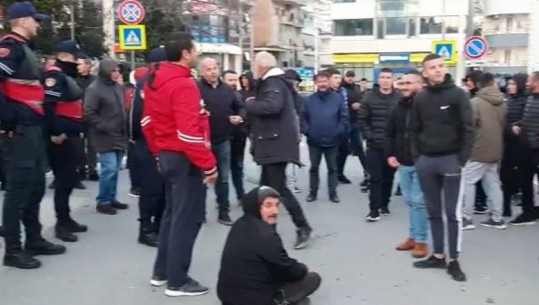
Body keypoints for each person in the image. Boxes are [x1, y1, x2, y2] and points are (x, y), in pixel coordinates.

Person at [143, 32, 218, 297]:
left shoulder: (154, 80)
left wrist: (157, 153)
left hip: (167, 153)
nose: (196, 54)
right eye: (194, 50)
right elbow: (188, 134)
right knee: (187, 220)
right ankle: (177, 280)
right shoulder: (184, 84)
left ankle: (161, 272)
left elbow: (148, 122)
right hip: (185, 158)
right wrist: (209, 165)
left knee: (172, 216)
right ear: (185, 53)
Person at [1, 1, 66, 269]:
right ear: (24, 21)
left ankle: (34, 239)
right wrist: (9, 120)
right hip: (21, 129)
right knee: (18, 189)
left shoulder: (25, 49)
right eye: (36, 20)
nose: (39, 25)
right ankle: (13, 250)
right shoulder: (10, 47)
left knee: (36, 185)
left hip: (32, 127)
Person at [411, 53, 474, 282]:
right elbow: (414, 130)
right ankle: (437, 255)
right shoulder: (421, 98)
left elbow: (469, 129)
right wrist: (417, 158)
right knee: (433, 211)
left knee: (452, 214)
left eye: (440, 66)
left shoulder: (458, 94)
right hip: (426, 161)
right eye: (432, 67)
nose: (437, 70)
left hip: (451, 160)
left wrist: (461, 160)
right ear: (425, 73)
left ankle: (453, 260)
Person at [246, 51, 313, 250]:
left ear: (261, 67)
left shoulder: (273, 83)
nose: (253, 70)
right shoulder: (274, 82)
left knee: (278, 189)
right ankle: (264, 229)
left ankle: (303, 227)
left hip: (275, 145)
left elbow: (271, 107)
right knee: (266, 189)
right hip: (272, 143)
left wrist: (250, 103)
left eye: (254, 66)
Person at [217, 186, 321, 305]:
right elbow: (287, 268)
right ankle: (281, 300)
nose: (275, 211)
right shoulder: (266, 235)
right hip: (254, 300)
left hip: (227, 297)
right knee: (312, 279)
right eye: (268, 205)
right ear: (256, 206)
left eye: (276, 205)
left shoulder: (239, 224)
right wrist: (302, 269)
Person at [43, 40, 89, 242]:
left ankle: (66, 218)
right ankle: (61, 224)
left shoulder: (66, 76)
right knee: (63, 181)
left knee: (70, 179)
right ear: (64, 56)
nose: (78, 62)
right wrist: (56, 132)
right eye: (75, 57)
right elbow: (49, 105)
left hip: (71, 134)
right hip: (60, 137)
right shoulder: (54, 75)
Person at [385, 70, 428, 258]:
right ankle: (413, 236)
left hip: (423, 161)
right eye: (402, 84)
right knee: (410, 202)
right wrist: (390, 154)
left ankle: (421, 241)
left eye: (409, 83)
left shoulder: (428, 106)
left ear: (420, 84)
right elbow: (389, 132)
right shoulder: (399, 107)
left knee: (419, 202)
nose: (404, 87)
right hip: (403, 162)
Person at [198, 58, 245, 225]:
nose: (212, 72)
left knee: (223, 177)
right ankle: (199, 213)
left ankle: (224, 212)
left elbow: (240, 107)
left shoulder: (226, 89)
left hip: (224, 139)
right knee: (202, 178)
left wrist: (239, 116)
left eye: (215, 68)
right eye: (208, 69)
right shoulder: (196, 88)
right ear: (201, 72)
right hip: (203, 142)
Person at [461, 73, 507, 230]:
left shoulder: (476, 102)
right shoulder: (502, 102)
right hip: (496, 148)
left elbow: (469, 127)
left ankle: (466, 217)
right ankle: (497, 217)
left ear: (479, 85)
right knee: (493, 182)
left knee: (468, 181)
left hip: (479, 149)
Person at [83, 58, 129, 215]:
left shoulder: (118, 87)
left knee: (115, 169)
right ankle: (103, 201)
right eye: (113, 70)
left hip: (120, 134)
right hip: (104, 135)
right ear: (106, 71)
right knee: (108, 168)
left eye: (118, 70)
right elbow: (89, 112)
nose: (116, 74)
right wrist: (104, 126)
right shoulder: (95, 88)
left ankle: (111, 198)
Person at [358, 68, 400, 222]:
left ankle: (384, 204)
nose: (385, 80)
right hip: (374, 145)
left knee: (388, 178)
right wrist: (370, 136)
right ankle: (373, 210)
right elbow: (362, 120)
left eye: (388, 77)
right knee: (375, 178)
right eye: (383, 77)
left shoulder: (399, 98)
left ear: (392, 79)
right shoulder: (369, 97)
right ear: (378, 79)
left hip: (393, 147)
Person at [302, 71, 349, 203]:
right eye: (319, 81)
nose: (322, 84)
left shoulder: (337, 98)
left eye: (324, 81)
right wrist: (307, 131)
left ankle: (333, 193)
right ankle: (313, 192)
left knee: (333, 168)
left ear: (328, 82)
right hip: (314, 141)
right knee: (314, 168)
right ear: (315, 83)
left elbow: (344, 118)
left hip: (332, 140)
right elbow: (303, 118)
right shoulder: (308, 100)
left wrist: (338, 131)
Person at [510, 71, 539, 225]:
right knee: (525, 181)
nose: (527, 82)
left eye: (529, 80)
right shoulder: (530, 98)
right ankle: (528, 213)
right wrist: (517, 125)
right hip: (526, 148)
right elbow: (527, 118)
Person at [500, 73, 528, 217]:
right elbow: (503, 119)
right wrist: (508, 127)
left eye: (513, 84)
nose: (509, 86)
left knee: (522, 176)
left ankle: (526, 206)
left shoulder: (527, 100)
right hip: (507, 143)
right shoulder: (507, 100)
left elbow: (528, 119)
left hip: (522, 145)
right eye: (509, 84)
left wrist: (516, 125)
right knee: (505, 176)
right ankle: (505, 207)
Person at [223, 70, 248, 204]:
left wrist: (241, 117)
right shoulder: (219, 94)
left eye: (234, 80)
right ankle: (222, 200)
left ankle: (241, 195)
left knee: (238, 167)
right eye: (230, 80)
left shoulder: (239, 95)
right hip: (223, 137)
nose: (233, 83)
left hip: (238, 137)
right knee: (223, 171)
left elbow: (243, 109)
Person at [342, 70, 369, 189]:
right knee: (342, 150)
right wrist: (350, 106)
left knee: (359, 149)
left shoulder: (357, 88)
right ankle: (338, 173)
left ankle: (367, 173)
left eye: (352, 77)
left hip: (355, 122)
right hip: (343, 122)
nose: (350, 79)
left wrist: (359, 105)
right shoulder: (341, 89)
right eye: (348, 76)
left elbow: (363, 101)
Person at [76, 56, 99, 181]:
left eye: (80, 64)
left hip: (91, 115)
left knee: (92, 144)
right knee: (79, 144)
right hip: (77, 116)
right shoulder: (73, 80)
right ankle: (80, 168)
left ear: (88, 65)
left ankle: (92, 169)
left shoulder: (95, 81)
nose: (78, 66)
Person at [283, 69, 304, 194]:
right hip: (289, 131)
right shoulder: (293, 96)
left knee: (290, 160)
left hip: (291, 131)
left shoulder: (294, 96)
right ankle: (290, 184)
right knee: (290, 159)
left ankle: (290, 183)